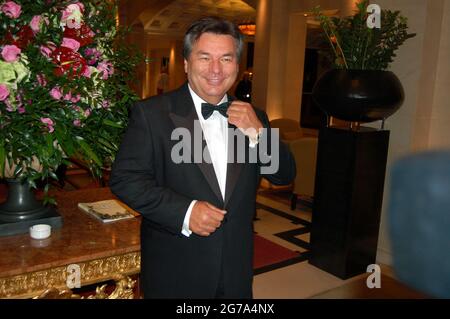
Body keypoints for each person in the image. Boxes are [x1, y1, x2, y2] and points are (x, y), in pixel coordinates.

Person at [109, 16, 295, 299]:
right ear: (186, 63)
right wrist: (185, 211)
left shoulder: (253, 116)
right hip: (176, 269)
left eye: (226, 58)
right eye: (205, 57)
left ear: (237, 64)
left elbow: (284, 176)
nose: (216, 70)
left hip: (235, 271)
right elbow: (125, 180)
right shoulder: (151, 114)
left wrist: (259, 134)